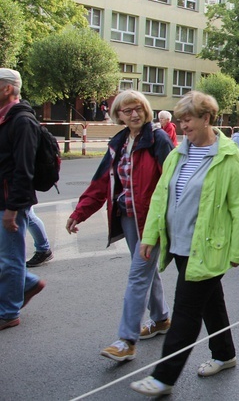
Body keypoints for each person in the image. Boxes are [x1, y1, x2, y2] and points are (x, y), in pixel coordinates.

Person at [130, 91, 239, 397]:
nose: (183, 125)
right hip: (180, 244)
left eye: (188, 119)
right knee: (211, 302)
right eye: (181, 120)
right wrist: (150, 236)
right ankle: (225, 354)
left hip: (209, 246)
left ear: (206, 118)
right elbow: (162, 197)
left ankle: (163, 377)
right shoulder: (178, 153)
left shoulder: (228, 155)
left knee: (185, 310)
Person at [67, 90, 174, 360]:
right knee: (146, 271)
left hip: (152, 220)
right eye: (127, 111)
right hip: (127, 218)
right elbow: (101, 181)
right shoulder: (119, 142)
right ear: (119, 115)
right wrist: (80, 212)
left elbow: (173, 183)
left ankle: (127, 340)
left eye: (138, 108)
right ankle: (161, 318)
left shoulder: (157, 140)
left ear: (146, 110)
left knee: (138, 274)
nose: (134, 114)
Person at [0, 68, 46, 331]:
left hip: (10, 202)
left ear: (7, 89)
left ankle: (8, 312)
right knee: (6, 258)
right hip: (4, 199)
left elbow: (23, 169)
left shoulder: (22, 121)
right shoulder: (4, 119)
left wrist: (12, 208)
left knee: (11, 258)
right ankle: (27, 283)